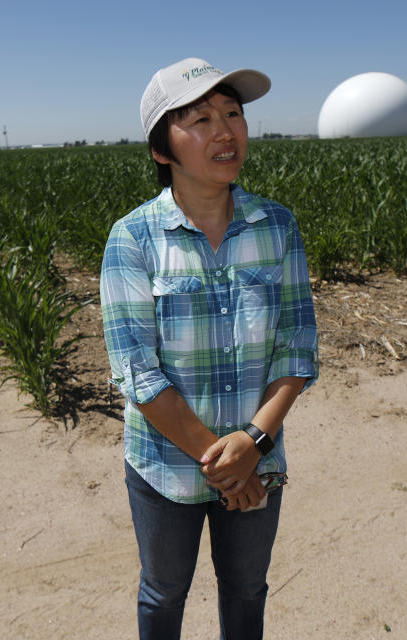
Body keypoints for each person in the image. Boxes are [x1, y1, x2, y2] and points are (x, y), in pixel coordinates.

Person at [100, 57, 319, 639]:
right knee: (163, 593)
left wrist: (255, 442)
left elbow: (297, 345)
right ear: (160, 148)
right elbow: (136, 371)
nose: (224, 132)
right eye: (200, 120)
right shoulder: (133, 238)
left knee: (247, 591)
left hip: (258, 457)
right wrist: (229, 466)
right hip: (165, 467)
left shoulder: (277, 226)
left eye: (232, 114)